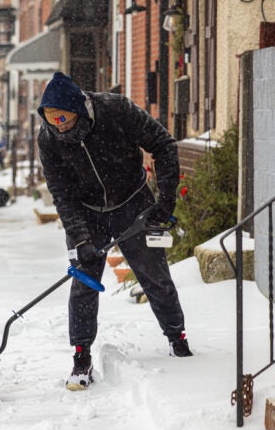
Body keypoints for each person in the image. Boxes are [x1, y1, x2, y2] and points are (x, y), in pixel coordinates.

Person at [36, 72, 192, 392]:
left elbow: (163, 144)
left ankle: (178, 340)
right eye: (52, 121)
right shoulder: (49, 138)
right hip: (86, 211)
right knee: (83, 281)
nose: (59, 126)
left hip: (132, 203)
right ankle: (81, 357)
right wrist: (80, 238)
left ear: (79, 109)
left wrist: (165, 202)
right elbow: (61, 193)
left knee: (154, 276)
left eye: (63, 118)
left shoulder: (115, 109)